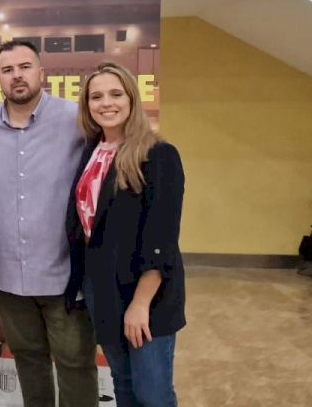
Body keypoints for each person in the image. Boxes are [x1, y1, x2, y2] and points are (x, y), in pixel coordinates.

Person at [0, 40, 97, 407]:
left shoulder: (76, 119)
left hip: (64, 274)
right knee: (28, 359)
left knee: (75, 364)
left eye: (24, 67)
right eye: (7, 70)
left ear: (42, 72)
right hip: (8, 275)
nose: (17, 76)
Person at [66, 62, 186, 407]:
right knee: (123, 384)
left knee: (152, 393)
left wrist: (140, 303)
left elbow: (162, 237)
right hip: (101, 288)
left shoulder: (159, 155)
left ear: (132, 99)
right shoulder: (91, 151)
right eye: (96, 97)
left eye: (116, 94)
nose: (106, 103)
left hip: (147, 292)